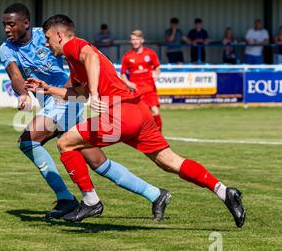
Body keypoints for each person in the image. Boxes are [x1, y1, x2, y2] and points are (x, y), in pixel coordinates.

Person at [26, 14, 246, 228]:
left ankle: (91, 201)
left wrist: (94, 93)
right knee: (169, 162)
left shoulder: (74, 46)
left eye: (47, 38)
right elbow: (79, 94)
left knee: (65, 143)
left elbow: (90, 58)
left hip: (119, 113)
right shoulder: (74, 63)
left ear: (59, 35)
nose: (46, 44)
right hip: (138, 112)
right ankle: (224, 191)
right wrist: (47, 89)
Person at [0, 3, 170, 221]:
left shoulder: (48, 34)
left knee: (29, 140)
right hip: (52, 102)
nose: (6, 29)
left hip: (66, 99)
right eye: (4, 25)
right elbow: (15, 76)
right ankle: (155, 194)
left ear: (26, 23)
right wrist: (23, 94)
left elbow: (77, 56)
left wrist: (74, 89)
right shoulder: (6, 48)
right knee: (96, 161)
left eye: (11, 24)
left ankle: (68, 199)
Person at [121, 30, 163, 131]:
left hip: (150, 89)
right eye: (132, 39)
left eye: (136, 39)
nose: (134, 42)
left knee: (155, 112)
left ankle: (158, 136)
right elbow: (122, 74)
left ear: (142, 40)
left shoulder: (150, 53)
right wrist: (128, 83)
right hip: (137, 90)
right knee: (140, 117)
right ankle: (144, 135)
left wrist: (156, 74)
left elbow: (157, 68)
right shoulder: (127, 56)